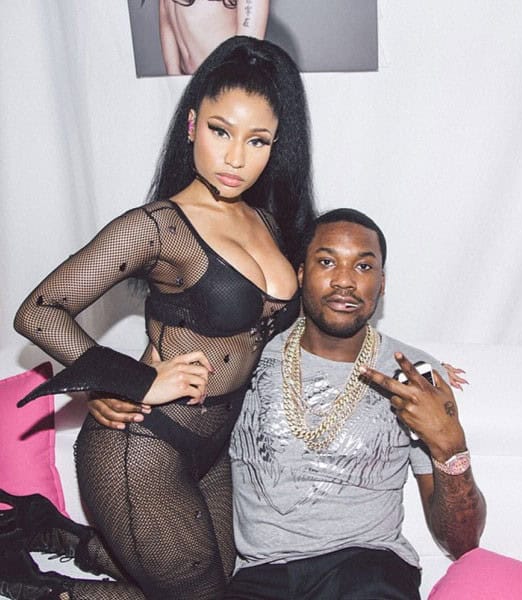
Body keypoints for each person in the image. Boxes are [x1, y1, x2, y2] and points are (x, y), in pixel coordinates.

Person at [4, 35, 314, 600]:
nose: (236, 158)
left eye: (257, 140)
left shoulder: (268, 223)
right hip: (140, 447)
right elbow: (38, 312)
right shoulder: (160, 226)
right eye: (221, 131)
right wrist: (131, 380)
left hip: (211, 449)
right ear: (192, 124)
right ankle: (38, 591)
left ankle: (65, 539)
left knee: (214, 584)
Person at [223, 208, 486, 599]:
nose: (344, 281)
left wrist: (450, 444)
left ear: (382, 283)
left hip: (366, 569)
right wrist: (135, 394)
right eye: (327, 262)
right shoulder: (246, 357)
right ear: (300, 274)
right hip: (261, 577)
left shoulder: (415, 377)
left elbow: (462, 543)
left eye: (363, 267)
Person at [157, 0, 270, 75]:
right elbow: (166, 14)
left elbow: (247, 48)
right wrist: (173, 76)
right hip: (187, 81)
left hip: (222, 81)